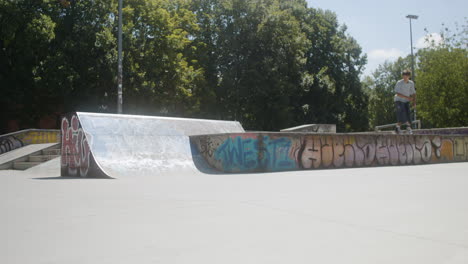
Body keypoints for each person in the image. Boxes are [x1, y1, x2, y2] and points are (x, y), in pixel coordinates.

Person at [394, 69, 416, 134]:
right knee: (402, 113)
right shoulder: (399, 82)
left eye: (406, 76)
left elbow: (414, 93)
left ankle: (398, 127)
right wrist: (408, 97)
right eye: (403, 76)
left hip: (406, 101)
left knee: (408, 114)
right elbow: (397, 93)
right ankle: (408, 128)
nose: (404, 77)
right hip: (398, 100)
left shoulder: (411, 83)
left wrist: (414, 102)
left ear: (409, 76)